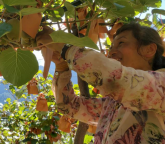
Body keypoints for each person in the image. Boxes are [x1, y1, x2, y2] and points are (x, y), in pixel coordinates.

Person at [36, 23, 165, 143]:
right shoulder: (112, 103)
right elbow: (69, 106)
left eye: (121, 43)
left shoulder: (161, 85)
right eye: (111, 47)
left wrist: (65, 48)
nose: (111, 52)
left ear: (149, 50)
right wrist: (61, 66)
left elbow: (116, 79)